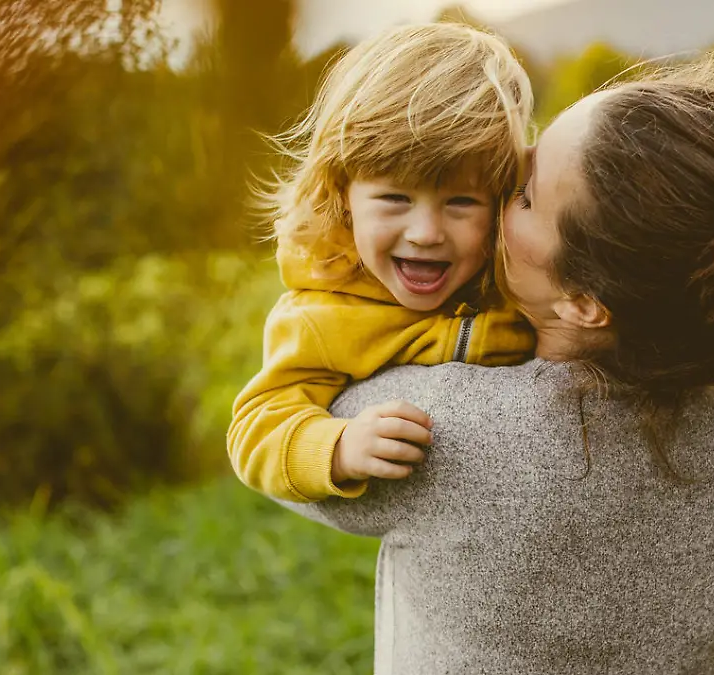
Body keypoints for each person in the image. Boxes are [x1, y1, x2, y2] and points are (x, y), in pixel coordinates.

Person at [276, 56, 714, 674]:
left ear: (582, 303)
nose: (500, 184)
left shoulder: (439, 431)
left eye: (521, 196)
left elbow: (292, 423)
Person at [226, 22, 534, 504]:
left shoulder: (521, 275)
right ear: (342, 195)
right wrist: (338, 447)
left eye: (460, 202)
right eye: (394, 198)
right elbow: (255, 426)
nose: (427, 233)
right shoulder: (323, 314)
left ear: (500, 201)